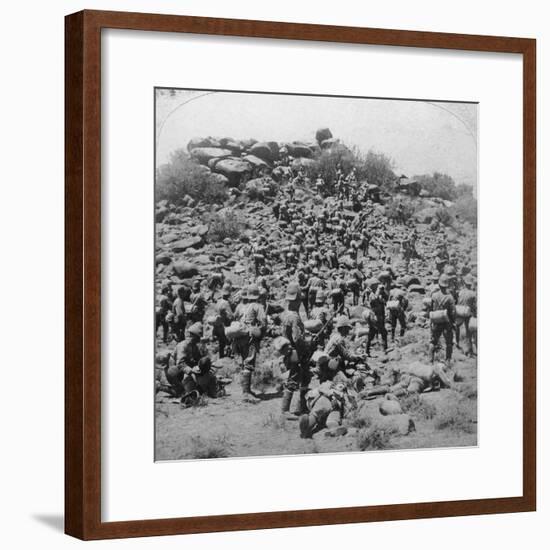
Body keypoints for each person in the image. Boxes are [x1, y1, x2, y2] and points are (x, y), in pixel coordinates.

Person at [279, 282, 311, 417]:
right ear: (298, 300)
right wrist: (307, 345)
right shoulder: (295, 317)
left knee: (304, 376)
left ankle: (302, 406)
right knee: (294, 377)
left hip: (289, 350)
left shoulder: (285, 315)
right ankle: (285, 410)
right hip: (296, 352)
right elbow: (297, 338)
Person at [239, 284, 267, 402]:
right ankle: (246, 394)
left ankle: (246, 390)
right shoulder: (258, 306)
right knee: (249, 362)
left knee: (244, 362)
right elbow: (264, 320)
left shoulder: (243, 306)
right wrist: (262, 332)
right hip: (250, 337)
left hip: (241, 336)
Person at [429, 274, 456, 366]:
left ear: (439, 285)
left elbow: (431, 309)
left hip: (436, 321)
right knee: (449, 342)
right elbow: (452, 312)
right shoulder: (450, 297)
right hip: (446, 322)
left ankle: (430, 361)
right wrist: (453, 322)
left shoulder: (434, 295)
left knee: (433, 341)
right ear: (447, 285)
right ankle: (448, 360)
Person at [455, 274, 477, 356]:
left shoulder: (460, 291)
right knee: (468, 331)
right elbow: (474, 306)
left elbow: (457, 301)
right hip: (468, 313)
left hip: (460, 311)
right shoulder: (473, 294)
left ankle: (456, 343)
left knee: (457, 327)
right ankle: (469, 349)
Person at [365, 284, 389, 356]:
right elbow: (375, 301)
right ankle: (385, 350)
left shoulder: (375, 296)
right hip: (376, 318)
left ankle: (367, 351)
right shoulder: (375, 296)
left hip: (375, 317)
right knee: (384, 333)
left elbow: (385, 299)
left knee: (371, 334)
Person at [212, 284, 234, 358]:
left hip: (217, 325)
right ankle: (228, 356)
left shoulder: (219, 301)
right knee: (228, 341)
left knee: (221, 343)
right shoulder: (226, 303)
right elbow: (231, 316)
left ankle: (221, 356)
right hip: (223, 326)